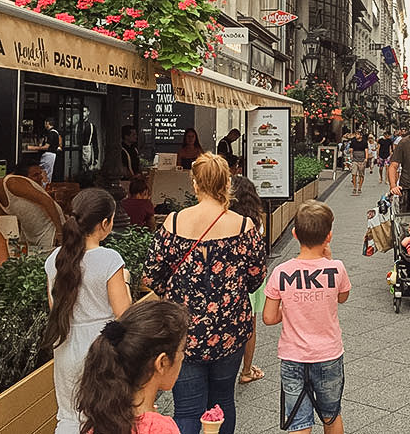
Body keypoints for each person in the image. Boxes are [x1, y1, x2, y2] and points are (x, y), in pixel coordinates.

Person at [144, 153, 267, 434]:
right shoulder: (243, 226)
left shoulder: (173, 223)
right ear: (226, 183)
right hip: (229, 330)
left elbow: (152, 276)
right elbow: (255, 278)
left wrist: (175, 292)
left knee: (186, 409)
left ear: (195, 184)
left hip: (183, 334)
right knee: (223, 402)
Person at [44, 188, 132, 434]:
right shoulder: (109, 259)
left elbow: (55, 307)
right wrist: (125, 281)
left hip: (65, 343)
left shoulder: (54, 260)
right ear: (105, 223)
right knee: (103, 418)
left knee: (69, 416)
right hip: (101, 347)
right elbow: (124, 316)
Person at [263, 200, 350, 434]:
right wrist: (328, 261)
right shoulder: (337, 268)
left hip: (293, 356)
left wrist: (290, 308)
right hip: (328, 354)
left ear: (294, 234)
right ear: (328, 236)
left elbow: (269, 318)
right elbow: (342, 297)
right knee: (331, 416)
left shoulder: (281, 272)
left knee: (298, 421)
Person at [76, 299, 188, 434]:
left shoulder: (102, 421)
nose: (182, 357)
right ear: (162, 363)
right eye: (181, 350)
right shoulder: (159, 428)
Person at [0, 160, 64, 249]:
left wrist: (60, 233)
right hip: (31, 233)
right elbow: (1, 223)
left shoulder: (11, 183)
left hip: (51, 229)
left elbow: (47, 201)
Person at [230, 175, 266, 385]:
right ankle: (246, 370)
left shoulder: (224, 219)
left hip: (228, 279)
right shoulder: (255, 221)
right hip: (251, 278)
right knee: (250, 324)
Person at [28, 118, 62, 184]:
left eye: (45, 123)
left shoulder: (51, 133)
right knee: (48, 172)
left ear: (47, 123)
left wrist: (32, 147)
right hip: (52, 155)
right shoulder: (56, 132)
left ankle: (43, 187)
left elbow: (46, 147)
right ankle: (46, 186)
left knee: (44, 172)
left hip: (48, 155)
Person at [348, 131, 369, 196]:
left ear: (361, 135)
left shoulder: (364, 142)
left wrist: (366, 158)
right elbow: (351, 149)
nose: (356, 135)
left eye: (357, 134)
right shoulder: (353, 141)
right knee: (353, 174)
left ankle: (359, 187)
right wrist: (351, 154)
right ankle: (354, 187)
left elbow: (366, 151)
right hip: (355, 160)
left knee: (361, 174)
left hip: (362, 160)